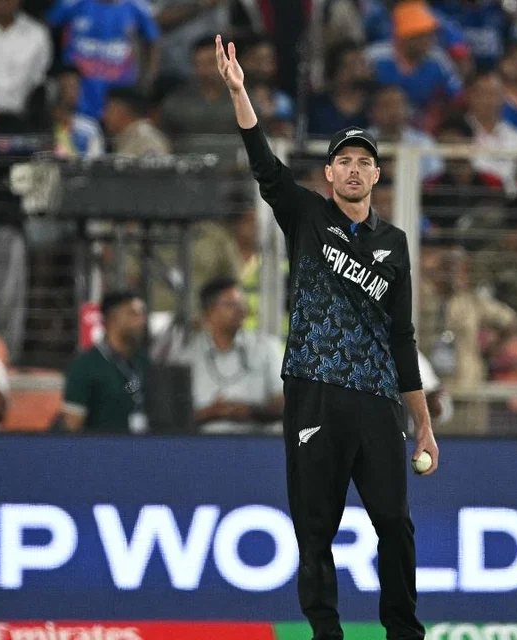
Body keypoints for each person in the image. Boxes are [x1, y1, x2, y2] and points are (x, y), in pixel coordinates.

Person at [216, 34, 438, 640]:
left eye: (366, 161)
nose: (355, 169)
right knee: (315, 527)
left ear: (376, 174)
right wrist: (240, 93)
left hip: (376, 401)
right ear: (329, 171)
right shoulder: (308, 216)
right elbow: (264, 165)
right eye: (345, 160)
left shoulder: (394, 244)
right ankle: (326, 633)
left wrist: (421, 421)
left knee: (394, 522)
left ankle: (403, 631)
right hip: (314, 391)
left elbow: (402, 335)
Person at [184, 277, 285, 435]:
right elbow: (172, 416)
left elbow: (285, 403)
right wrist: (210, 413)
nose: (241, 310)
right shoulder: (187, 354)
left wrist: (251, 411)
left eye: (242, 304)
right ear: (209, 312)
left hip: (257, 444)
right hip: (201, 446)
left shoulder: (266, 347)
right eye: (231, 305)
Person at [61, 291, 149, 434]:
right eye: (133, 313)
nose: (142, 320)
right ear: (112, 319)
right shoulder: (86, 366)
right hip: (103, 451)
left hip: (146, 449)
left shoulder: (143, 361)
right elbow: (71, 427)